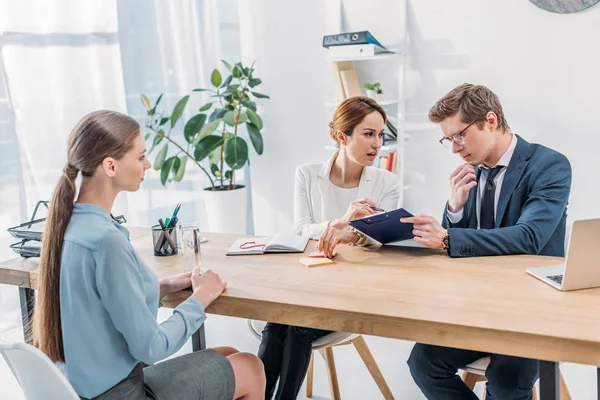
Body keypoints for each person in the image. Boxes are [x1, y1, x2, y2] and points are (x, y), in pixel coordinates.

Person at [32, 110, 266, 400]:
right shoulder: (107, 241)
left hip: (86, 390)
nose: (149, 164)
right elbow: (150, 349)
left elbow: (99, 306)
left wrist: (161, 287)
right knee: (250, 367)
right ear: (110, 166)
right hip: (120, 393)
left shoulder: (68, 225)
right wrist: (199, 300)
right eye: (140, 156)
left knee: (229, 354)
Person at [403, 84, 572, 399]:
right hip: (478, 306)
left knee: (506, 379)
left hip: (533, 311)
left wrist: (447, 237)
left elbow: (529, 237)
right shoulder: (471, 171)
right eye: (448, 139)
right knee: (423, 362)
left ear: (490, 121)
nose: (454, 148)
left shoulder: (548, 165)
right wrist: (453, 209)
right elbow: (463, 241)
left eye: (459, 135)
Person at [258, 97, 399, 399]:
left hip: (356, 290)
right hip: (309, 282)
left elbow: (381, 239)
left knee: (299, 327)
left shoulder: (387, 182)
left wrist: (349, 234)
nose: (377, 143)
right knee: (276, 323)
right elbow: (299, 230)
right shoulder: (307, 174)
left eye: (380, 134)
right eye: (368, 133)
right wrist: (342, 221)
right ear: (342, 136)